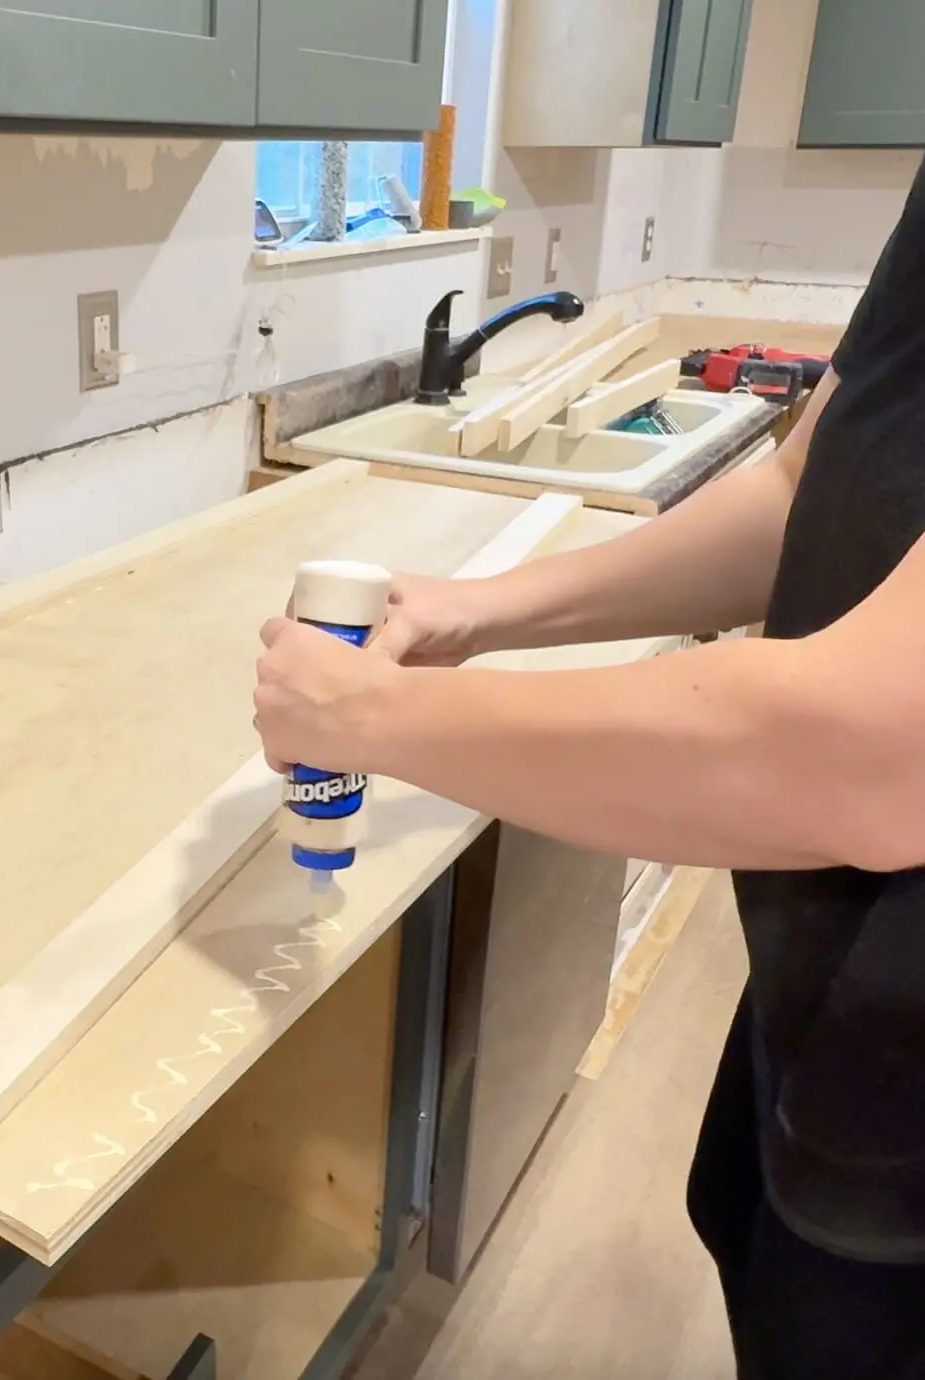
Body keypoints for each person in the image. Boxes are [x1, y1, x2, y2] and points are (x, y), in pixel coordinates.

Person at [252, 156, 925, 1379]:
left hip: (907, 1067)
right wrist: (474, 613)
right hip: (827, 963)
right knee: (739, 1226)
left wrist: (369, 722)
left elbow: (869, 756)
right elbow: (797, 488)